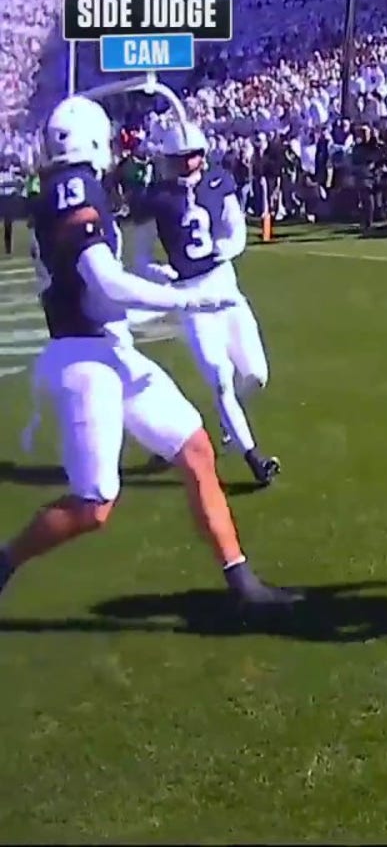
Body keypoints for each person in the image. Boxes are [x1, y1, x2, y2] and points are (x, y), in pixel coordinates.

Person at [0, 96, 300, 612]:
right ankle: (3, 562)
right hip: (84, 358)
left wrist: (154, 297)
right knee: (95, 505)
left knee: (196, 449)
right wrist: (186, 297)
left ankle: (242, 582)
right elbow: (104, 282)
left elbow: (101, 294)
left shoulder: (67, 187)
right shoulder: (73, 189)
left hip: (111, 346)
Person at [129, 121, 281, 487]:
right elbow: (140, 254)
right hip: (193, 298)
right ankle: (253, 456)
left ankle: (230, 420)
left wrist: (224, 249)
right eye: (180, 157)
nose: (188, 163)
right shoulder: (157, 198)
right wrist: (158, 271)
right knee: (220, 379)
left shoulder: (219, 182)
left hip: (226, 288)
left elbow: (235, 230)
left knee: (256, 375)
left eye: (192, 155)